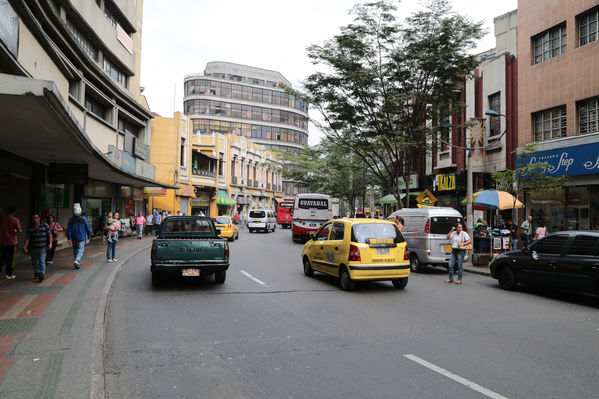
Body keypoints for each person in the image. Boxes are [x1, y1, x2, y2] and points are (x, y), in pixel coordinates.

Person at [23, 213, 51, 282]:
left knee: (41, 260)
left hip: (42, 247)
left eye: (36, 218)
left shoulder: (45, 225)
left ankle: (41, 274)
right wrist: (25, 246)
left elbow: (49, 235)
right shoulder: (30, 227)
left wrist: (50, 244)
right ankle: (37, 273)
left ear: (39, 218)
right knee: (35, 262)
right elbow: (28, 238)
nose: (35, 219)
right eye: (33, 218)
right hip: (33, 248)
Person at [0, 205, 22, 279]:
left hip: (2, 241)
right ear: (14, 211)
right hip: (12, 242)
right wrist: (17, 230)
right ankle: (9, 274)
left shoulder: (2, 218)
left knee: (3, 257)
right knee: (11, 258)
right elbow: (19, 230)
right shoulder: (15, 220)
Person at [67, 203, 91, 269]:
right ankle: (77, 261)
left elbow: (69, 229)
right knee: (80, 249)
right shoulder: (84, 219)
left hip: (73, 237)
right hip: (81, 237)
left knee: (75, 250)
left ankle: (76, 262)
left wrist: (69, 238)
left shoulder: (71, 219)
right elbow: (88, 228)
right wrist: (89, 234)